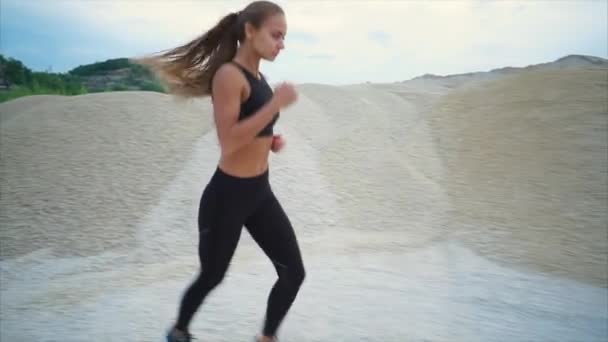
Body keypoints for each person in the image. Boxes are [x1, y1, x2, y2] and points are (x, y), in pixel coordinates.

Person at [135, 1, 305, 342]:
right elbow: (228, 141)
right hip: (227, 195)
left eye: (284, 37)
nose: (281, 44)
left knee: (293, 273)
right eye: (276, 35)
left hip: (259, 193)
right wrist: (275, 105)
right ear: (249, 31)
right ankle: (179, 331)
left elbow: (252, 125)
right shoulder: (228, 76)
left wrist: (270, 140)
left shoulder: (260, 78)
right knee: (212, 275)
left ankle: (267, 338)